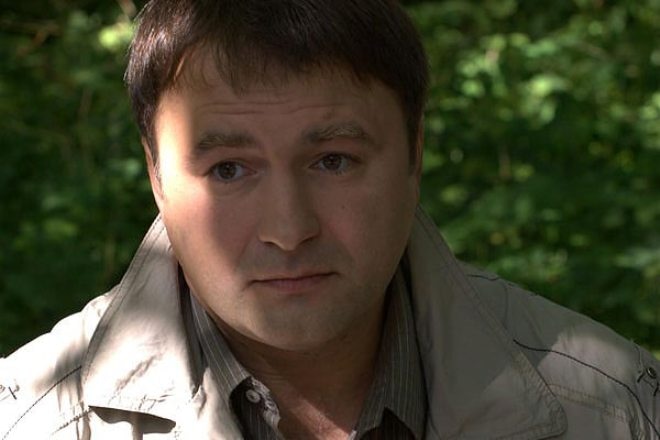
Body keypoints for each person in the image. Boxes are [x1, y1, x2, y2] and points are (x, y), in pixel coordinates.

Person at [1, 0, 658, 438]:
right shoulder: (29, 423)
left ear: (415, 154)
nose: (288, 231)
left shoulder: (617, 409)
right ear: (155, 175)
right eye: (228, 170)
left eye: (334, 161)